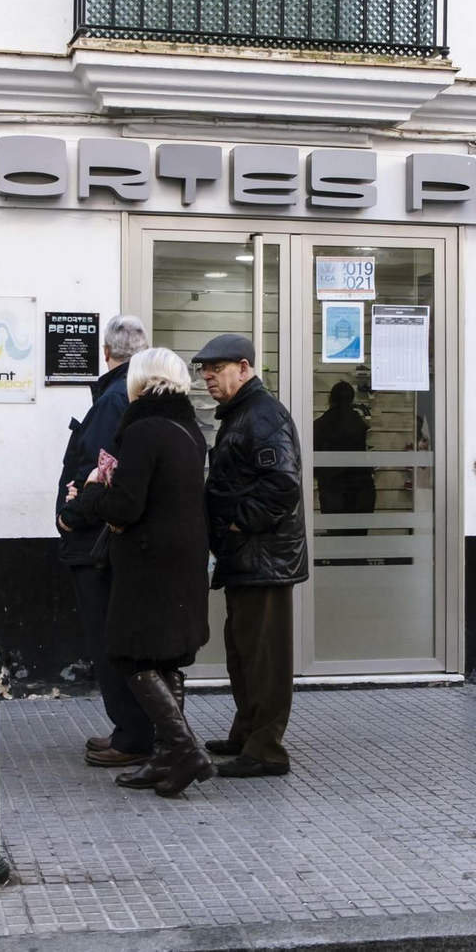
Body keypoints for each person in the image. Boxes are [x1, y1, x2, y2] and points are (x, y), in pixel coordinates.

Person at [77, 347, 213, 797]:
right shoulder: (189, 429)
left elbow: (126, 506)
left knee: (133, 654)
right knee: (167, 655)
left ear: (141, 380)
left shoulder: (142, 430)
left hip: (148, 561)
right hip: (185, 557)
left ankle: (184, 750)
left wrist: (92, 494)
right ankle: (167, 756)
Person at [194, 333, 307, 778]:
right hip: (246, 557)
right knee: (243, 652)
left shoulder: (262, 415)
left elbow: (283, 484)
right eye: (203, 370)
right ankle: (246, 733)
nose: (207, 377)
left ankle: (266, 751)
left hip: (263, 559)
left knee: (264, 659)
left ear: (243, 368)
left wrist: (237, 524)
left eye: (216, 369)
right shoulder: (243, 413)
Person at [54, 315, 155, 767]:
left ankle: (132, 735)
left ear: (105, 352)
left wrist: (69, 517)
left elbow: (96, 470)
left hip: (96, 544)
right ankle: (135, 729)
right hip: (115, 539)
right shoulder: (136, 395)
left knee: (109, 639)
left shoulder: (114, 398)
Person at [312, 381, 375, 535]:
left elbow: (316, 463)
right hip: (361, 489)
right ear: (352, 399)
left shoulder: (319, 425)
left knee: (336, 538)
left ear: (329, 398)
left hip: (332, 490)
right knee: (358, 540)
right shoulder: (358, 423)